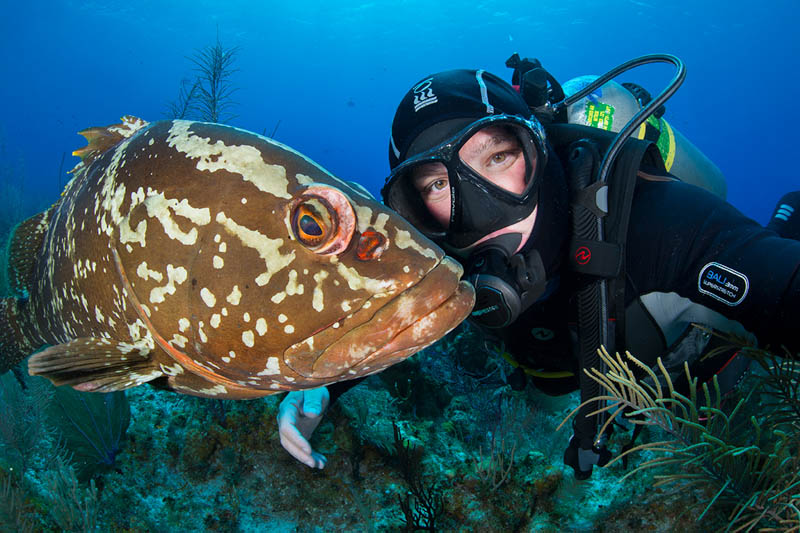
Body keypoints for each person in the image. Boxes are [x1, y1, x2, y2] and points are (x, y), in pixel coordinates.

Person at [278, 60, 800, 478]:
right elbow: (386, 324)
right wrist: (324, 384)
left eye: (497, 157)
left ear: (540, 152)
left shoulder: (659, 225)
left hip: (712, 386)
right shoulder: (441, 266)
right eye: (437, 185)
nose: (477, 211)